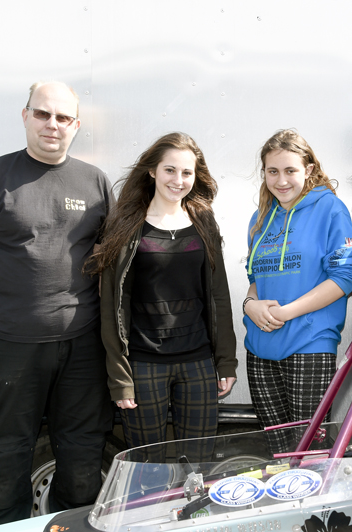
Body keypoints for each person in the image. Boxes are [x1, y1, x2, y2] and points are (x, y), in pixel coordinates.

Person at [0, 81, 113, 528]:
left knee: (82, 464)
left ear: (76, 125)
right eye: (42, 114)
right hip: (9, 345)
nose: (52, 124)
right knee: (4, 462)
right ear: (25, 116)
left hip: (82, 348)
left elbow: (109, 267)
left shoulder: (95, 182)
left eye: (63, 117)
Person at [87, 132, 237, 463]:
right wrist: (120, 377)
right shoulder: (126, 224)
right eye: (170, 170)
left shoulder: (203, 221)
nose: (178, 180)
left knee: (198, 466)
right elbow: (111, 305)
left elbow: (218, 295)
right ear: (152, 170)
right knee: (147, 467)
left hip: (198, 362)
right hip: (144, 365)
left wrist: (225, 360)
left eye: (187, 172)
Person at [243, 129, 352, 454]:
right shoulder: (260, 218)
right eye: (272, 171)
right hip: (260, 347)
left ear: (308, 170)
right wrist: (250, 304)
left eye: (290, 170)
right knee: (278, 452)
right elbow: (256, 279)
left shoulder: (331, 210)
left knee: (309, 452)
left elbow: (343, 278)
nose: (281, 181)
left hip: (310, 343)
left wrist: (287, 312)